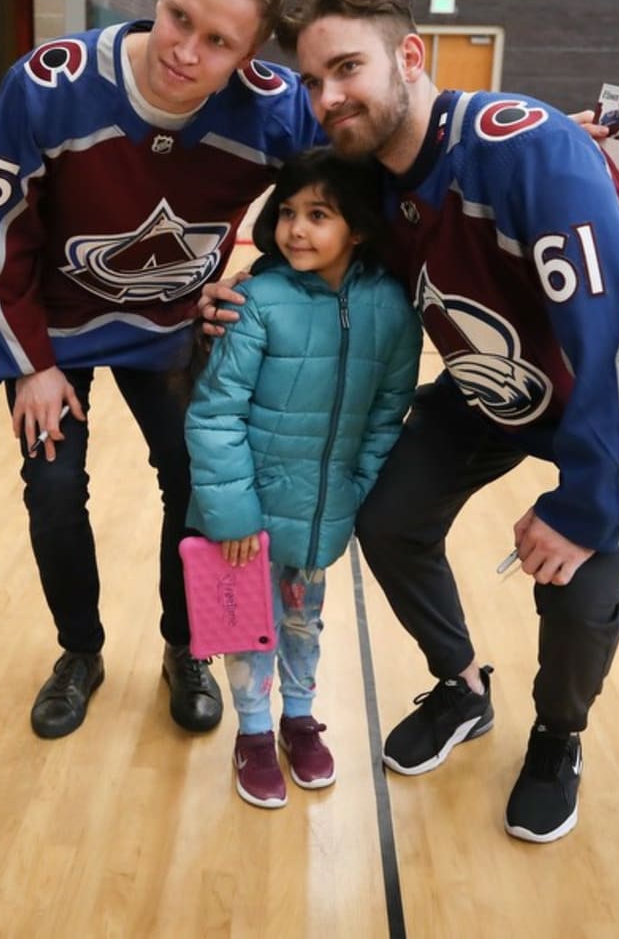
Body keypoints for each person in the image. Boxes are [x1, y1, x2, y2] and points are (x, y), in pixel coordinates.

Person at [202, 0, 619, 842]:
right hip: (494, 388)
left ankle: (557, 737)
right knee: (391, 518)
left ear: (410, 55)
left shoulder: (528, 153)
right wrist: (239, 289)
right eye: (314, 81)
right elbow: (316, 238)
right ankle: (462, 685)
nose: (328, 97)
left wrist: (582, 509)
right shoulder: (371, 175)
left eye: (347, 69)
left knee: (577, 586)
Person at [0, 0, 325, 740]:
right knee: (53, 489)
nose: (186, 51)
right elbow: (0, 235)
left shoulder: (276, 112)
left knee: (199, 484)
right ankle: (80, 652)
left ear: (249, 56)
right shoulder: (48, 86)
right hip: (53, 332)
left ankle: (186, 646)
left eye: (218, 42)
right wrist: (29, 366)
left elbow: (354, 189)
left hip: (173, 325)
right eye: (178, 18)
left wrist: (258, 285)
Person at [183, 147, 421, 808]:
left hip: (321, 511)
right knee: (245, 624)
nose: (295, 229)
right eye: (288, 212)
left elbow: (387, 414)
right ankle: (254, 732)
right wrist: (233, 516)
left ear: (359, 227)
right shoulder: (257, 300)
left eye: (319, 215)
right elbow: (214, 414)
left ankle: (298, 717)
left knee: (302, 623)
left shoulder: (392, 309)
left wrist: (354, 489)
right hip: (245, 515)